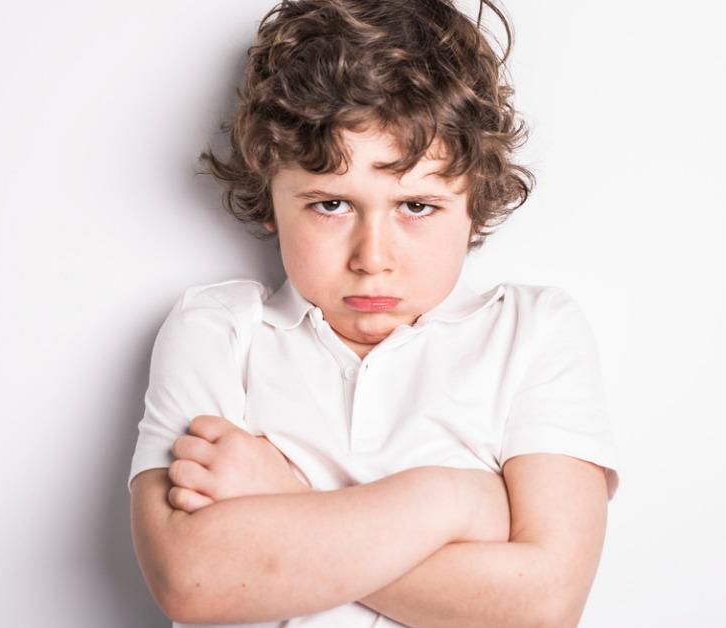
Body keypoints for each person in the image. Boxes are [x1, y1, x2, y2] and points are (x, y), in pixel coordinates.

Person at [127, 1, 621, 626]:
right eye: (331, 204)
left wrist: (286, 499)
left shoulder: (533, 331)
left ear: (475, 202)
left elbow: (543, 606)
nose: (372, 257)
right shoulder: (219, 330)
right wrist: (455, 501)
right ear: (271, 195)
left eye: (416, 206)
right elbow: (194, 581)